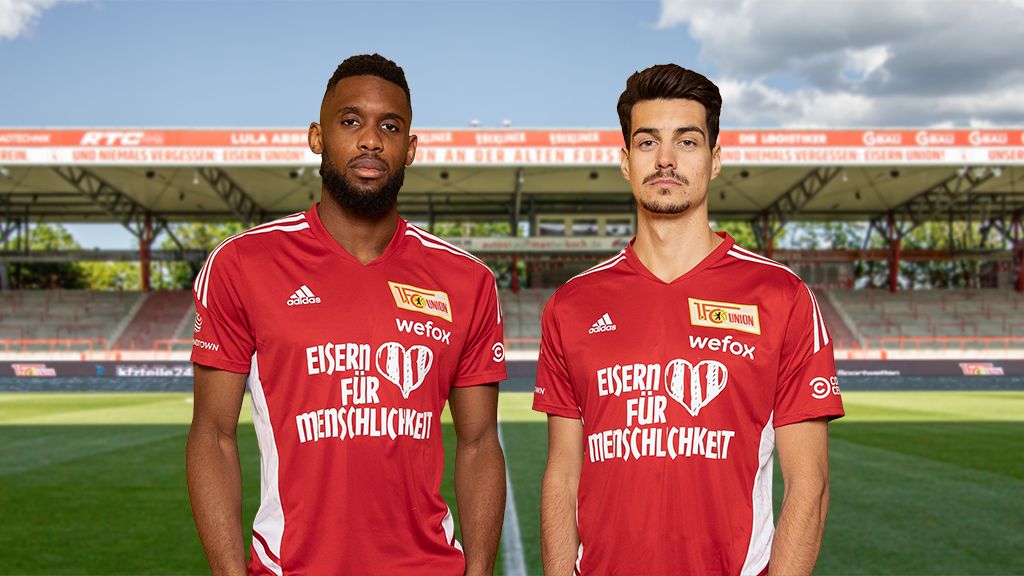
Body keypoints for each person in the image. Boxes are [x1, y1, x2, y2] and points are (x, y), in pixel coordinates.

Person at [186, 53, 507, 576]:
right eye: (351, 121)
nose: (370, 140)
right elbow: (212, 435)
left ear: (411, 148)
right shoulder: (243, 264)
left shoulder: (465, 280)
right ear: (317, 136)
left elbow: (478, 444)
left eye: (390, 126)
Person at [534, 64, 845, 576]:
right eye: (648, 142)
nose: (666, 160)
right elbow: (562, 474)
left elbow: (809, 484)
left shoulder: (781, 297)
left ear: (715, 160)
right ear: (625, 162)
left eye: (688, 142)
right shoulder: (573, 304)